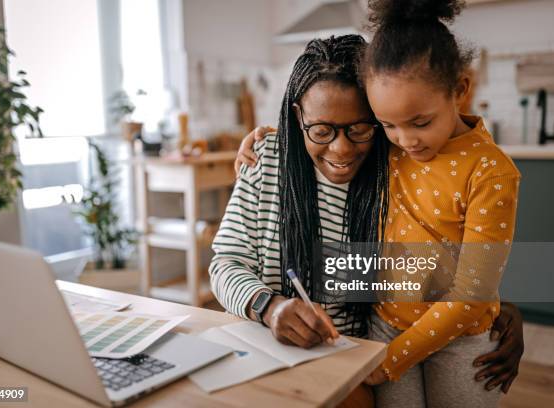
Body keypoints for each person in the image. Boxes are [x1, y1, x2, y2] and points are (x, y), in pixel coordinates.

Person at [219, 34, 523, 406]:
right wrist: (269, 306)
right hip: (260, 348)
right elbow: (224, 265)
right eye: (321, 130)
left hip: (349, 354)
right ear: (298, 115)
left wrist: (497, 306)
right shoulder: (264, 158)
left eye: (360, 128)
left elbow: (425, 260)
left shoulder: (389, 163)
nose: (342, 149)